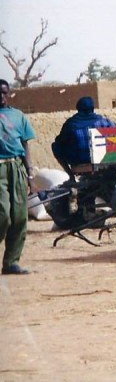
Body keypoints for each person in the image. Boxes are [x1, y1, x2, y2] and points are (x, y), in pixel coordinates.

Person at [0, 79, 36, 275]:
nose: (1, 97)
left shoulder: (18, 116)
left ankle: (11, 262)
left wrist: (30, 174)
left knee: (19, 216)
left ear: (9, 94)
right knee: (3, 214)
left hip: (17, 167)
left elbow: (25, 145)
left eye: (4, 93)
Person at [52, 96, 116, 179]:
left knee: (55, 146)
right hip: (103, 158)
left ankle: (71, 176)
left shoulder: (71, 124)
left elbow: (59, 142)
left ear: (78, 109)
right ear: (93, 108)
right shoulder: (104, 121)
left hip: (79, 160)